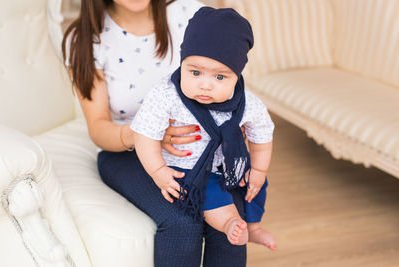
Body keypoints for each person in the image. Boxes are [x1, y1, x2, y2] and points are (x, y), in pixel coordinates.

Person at [62, 0, 248, 266]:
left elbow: (228, 82)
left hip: (199, 150)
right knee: (181, 221)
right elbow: (99, 126)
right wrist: (144, 135)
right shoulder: (86, 40)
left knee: (230, 217)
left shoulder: (191, 14)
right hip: (126, 152)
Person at [131, 7, 276, 250]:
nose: (205, 85)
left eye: (220, 77)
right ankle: (231, 222)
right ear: (183, 63)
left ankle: (254, 228)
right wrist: (158, 171)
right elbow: (144, 135)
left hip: (228, 164)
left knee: (256, 186)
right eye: (195, 72)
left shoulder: (246, 102)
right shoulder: (167, 94)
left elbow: (262, 134)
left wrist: (259, 170)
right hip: (189, 168)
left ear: (237, 76)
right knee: (212, 195)